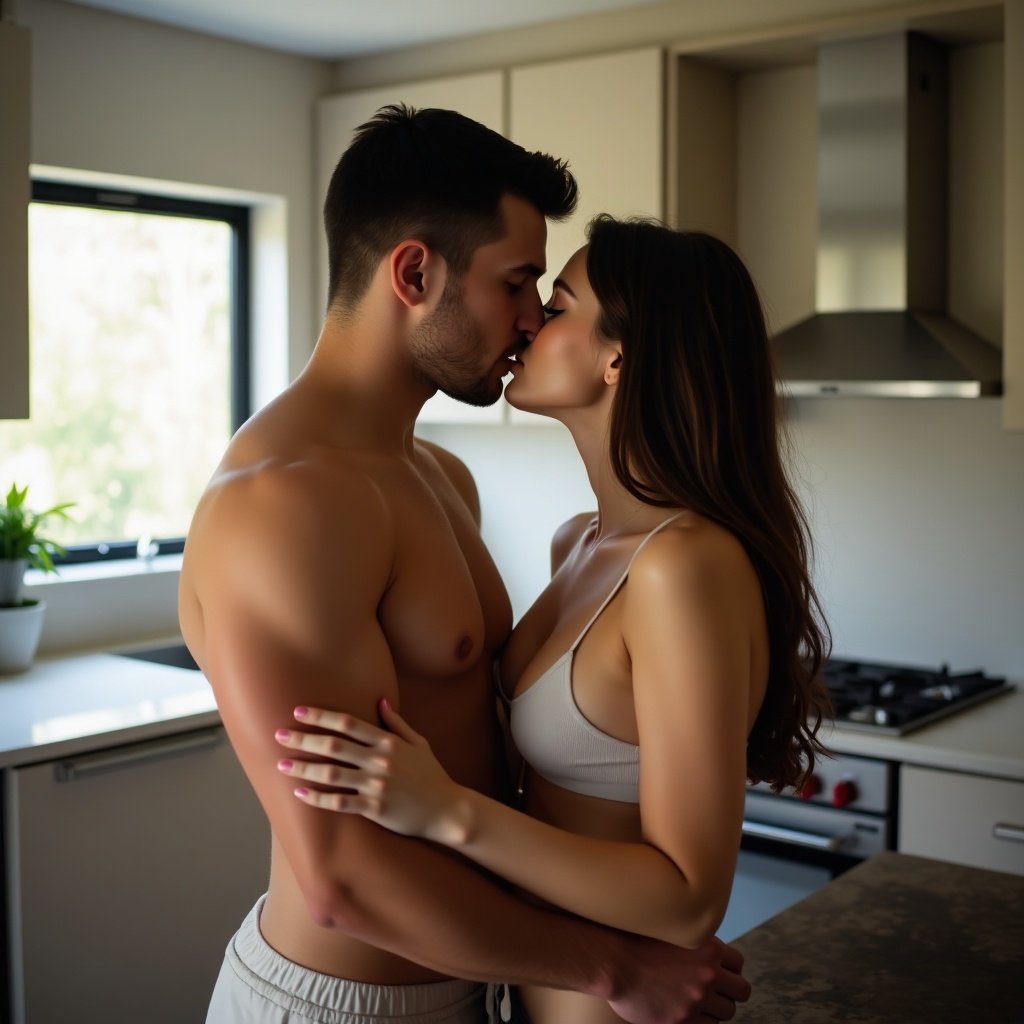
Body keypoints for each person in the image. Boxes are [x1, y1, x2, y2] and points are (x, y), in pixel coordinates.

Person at [181, 106, 750, 1024]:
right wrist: (613, 971)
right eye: (519, 282)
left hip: (482, 987)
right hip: (348, 1005)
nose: (532, 317)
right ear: (415, 272)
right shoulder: (281, 505)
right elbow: (343, 878)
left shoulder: (438, 474)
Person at [272, 214, 834, 1023]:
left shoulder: (682, 566)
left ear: (617, 357)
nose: (529, 319)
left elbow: (686, 898)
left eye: (559, 303)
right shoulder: (583, 542)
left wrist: (448, 812)